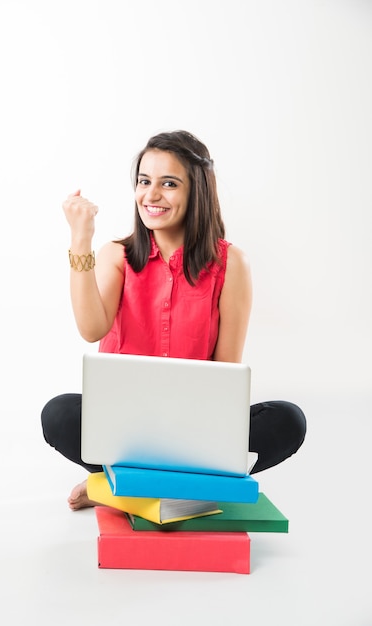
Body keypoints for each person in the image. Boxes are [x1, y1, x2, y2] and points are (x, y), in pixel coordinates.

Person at [41, 130, 306, 511]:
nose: (151, 195)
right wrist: (81, 239)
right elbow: (91, 329)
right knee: (59, 413)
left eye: (169, 184)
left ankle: (118, 485)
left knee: (288, 420)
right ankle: (176, 487)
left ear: (196, 190)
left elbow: (226, 371)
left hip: (195, 432)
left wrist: (197, 424)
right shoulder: (118, 256)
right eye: (144, 182)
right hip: (125, 429)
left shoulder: (231, 265)